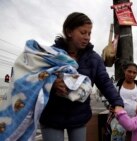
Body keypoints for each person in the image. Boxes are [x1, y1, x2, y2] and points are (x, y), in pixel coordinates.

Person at [39, 12, 124, 141]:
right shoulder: (51, 54)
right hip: (51, 116)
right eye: (83, 32)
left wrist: (117, 103)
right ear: (69, 32)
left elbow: (105, 82)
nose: (87, 37)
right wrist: (52, 82)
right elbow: (34, 77)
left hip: (79, 116)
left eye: (89, 33)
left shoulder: (93, 59)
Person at [110, 62, 137, 141]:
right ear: (124, 71)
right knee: (119, 135)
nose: (131, 74)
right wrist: (110, 106)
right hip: (119, 120)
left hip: (136, 120)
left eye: (134, 73)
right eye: (129, 71)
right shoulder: (116, 85)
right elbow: (107, 98)